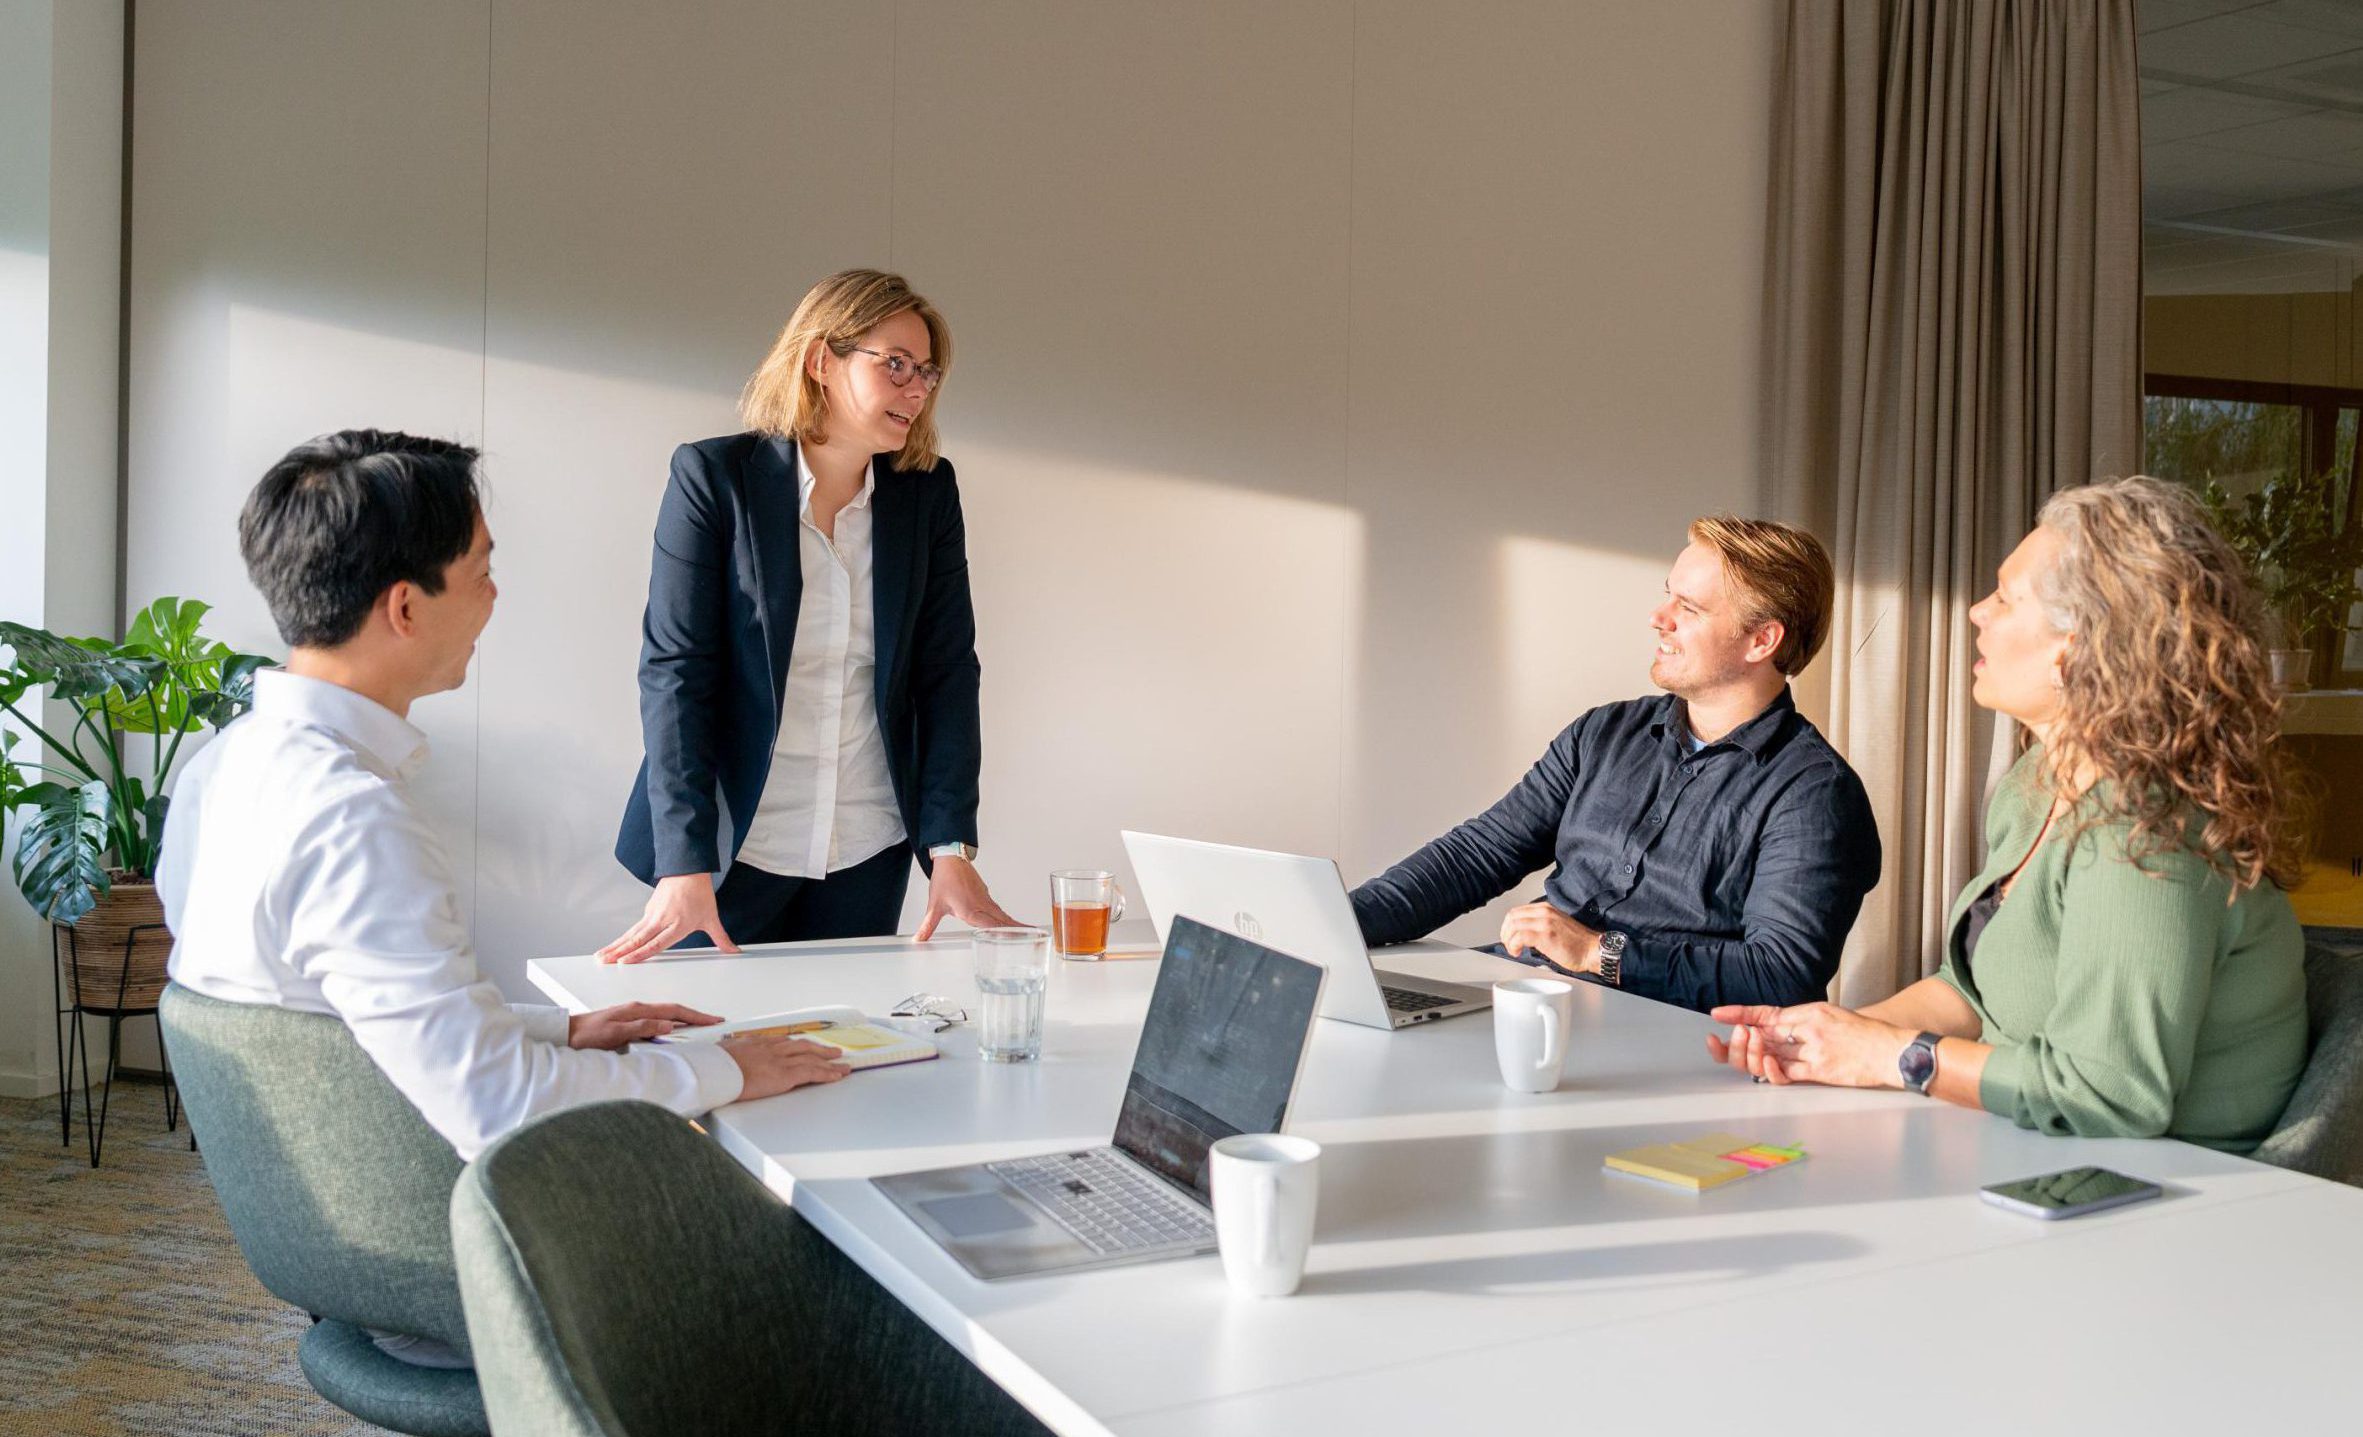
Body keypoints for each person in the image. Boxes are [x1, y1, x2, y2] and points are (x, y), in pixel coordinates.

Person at [164, 429, 850, 1170]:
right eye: (481, 571)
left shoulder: (221, 769)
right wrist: (726, 1069)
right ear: (404, 608)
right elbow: (497, 1102)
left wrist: (561, 1030)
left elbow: (334, 1013)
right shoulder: (352, 819)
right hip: (453, 1202)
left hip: (340, 1176)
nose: (494, 595)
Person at [1707, 476, 2309, 1153]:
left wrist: (1893, 1056)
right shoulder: (2036, 783)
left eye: (2004, 597)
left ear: (2078, 646)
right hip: (2041, 1146)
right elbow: (1973, 994)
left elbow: (2108, 1093)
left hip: (2173, 1181)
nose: (1975, 611)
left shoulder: (2148, 834)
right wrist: (1821, 1037)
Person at [602, 269, 1016, 963]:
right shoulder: (713, 479)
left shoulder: (926, 494)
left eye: (927, 372)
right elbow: (676, 674)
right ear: (822, 359)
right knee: (714, 1032)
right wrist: (683, 860)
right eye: (896, 364)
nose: (917, 389)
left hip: (866, 847)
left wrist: (949, 846)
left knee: (849, 1031)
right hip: (727, 851)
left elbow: (946, 673)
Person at [1352, 515, 1881, 1012]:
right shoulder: (1604, 732)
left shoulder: (1815, 793)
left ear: (1762, 640)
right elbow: (1477, 856)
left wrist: (1598, 953)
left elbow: (1780, 974)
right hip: (1527, 993)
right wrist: (1341, 922)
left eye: (1689, 608)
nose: (1658, 618)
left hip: (1657, 1036)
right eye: (1668, 595)